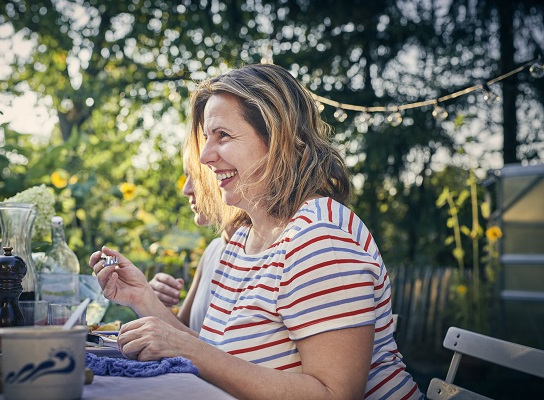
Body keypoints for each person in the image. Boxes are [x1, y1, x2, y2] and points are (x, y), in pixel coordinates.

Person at [90, 63, 424, 399]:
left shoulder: (322, 241)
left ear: (279, 139)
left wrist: (193, 352)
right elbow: (214, 354)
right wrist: (142, 298)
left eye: (224, 135)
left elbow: (333, 394)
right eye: (208, 137)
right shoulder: (242, 239)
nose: (205, 156)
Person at [149, 160, 236, 333]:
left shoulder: (264, 254)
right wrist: (154, 302)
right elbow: (184, 332)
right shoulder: (213, 250)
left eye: (196, 177)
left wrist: (143, 298)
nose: (186, 189)